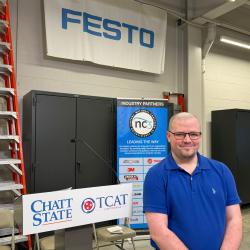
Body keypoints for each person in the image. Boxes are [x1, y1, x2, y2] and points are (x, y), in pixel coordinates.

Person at [143, 112, 242, 250]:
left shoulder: (221, 171)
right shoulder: (156, 175)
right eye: (180, 134)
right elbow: (159, 232)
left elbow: (234, 220)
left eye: (193, 134)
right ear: (168, 136)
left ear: (200, 136)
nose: (187, 140)